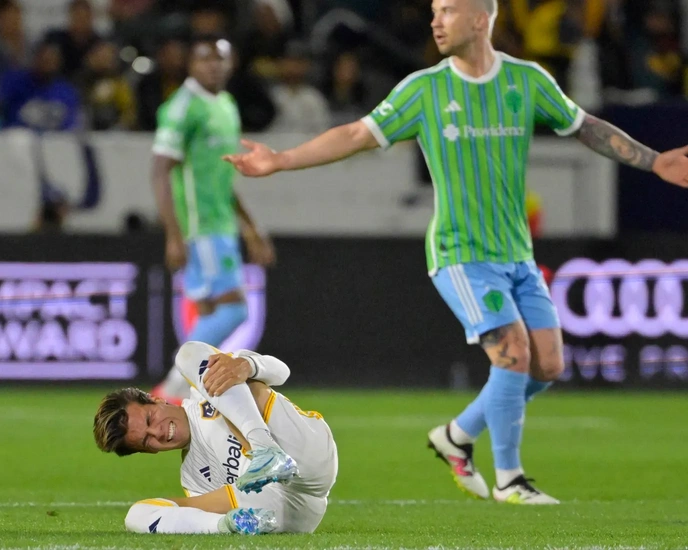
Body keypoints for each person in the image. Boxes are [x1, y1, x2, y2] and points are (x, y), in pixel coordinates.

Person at [223, 0, 688, 505]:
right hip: (460, 252)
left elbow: (586, 126)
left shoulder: (527, 81)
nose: (435, 21)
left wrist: (653, 160)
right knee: (513, 354)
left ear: (480, 18)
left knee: (548, 366)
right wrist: (282, 159)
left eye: (447, 11)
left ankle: (457, 435)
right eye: (433, 11)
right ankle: (510, 479)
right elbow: (357, 133)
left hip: (516, 252)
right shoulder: (424, 89)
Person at [93, 341, 338, 535]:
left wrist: (248, 366)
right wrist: (222, 523)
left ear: (157, 399)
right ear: (150, 451)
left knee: (189, 355)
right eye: (147, 441)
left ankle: (265, 448)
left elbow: (282, 372)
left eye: (150, 419)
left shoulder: (207, 383)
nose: (157, 432)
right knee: (136, 516)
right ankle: (228, 525)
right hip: (292, 515)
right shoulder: (193, 480)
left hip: (307, 455)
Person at [150, 36, 275, 405]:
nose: (213, 66)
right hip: (201, 225)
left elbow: (223, 176)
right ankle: (172, 388)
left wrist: (250, 226)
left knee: (207, 312)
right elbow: (159, 171)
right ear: (190, 64)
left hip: (221, 222)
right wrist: (173, 234)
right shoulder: (181, 108)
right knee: (234, 309)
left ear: (231, 63)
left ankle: (189, 395)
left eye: (219, 59)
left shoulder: (226, 105)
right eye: (204, 59)